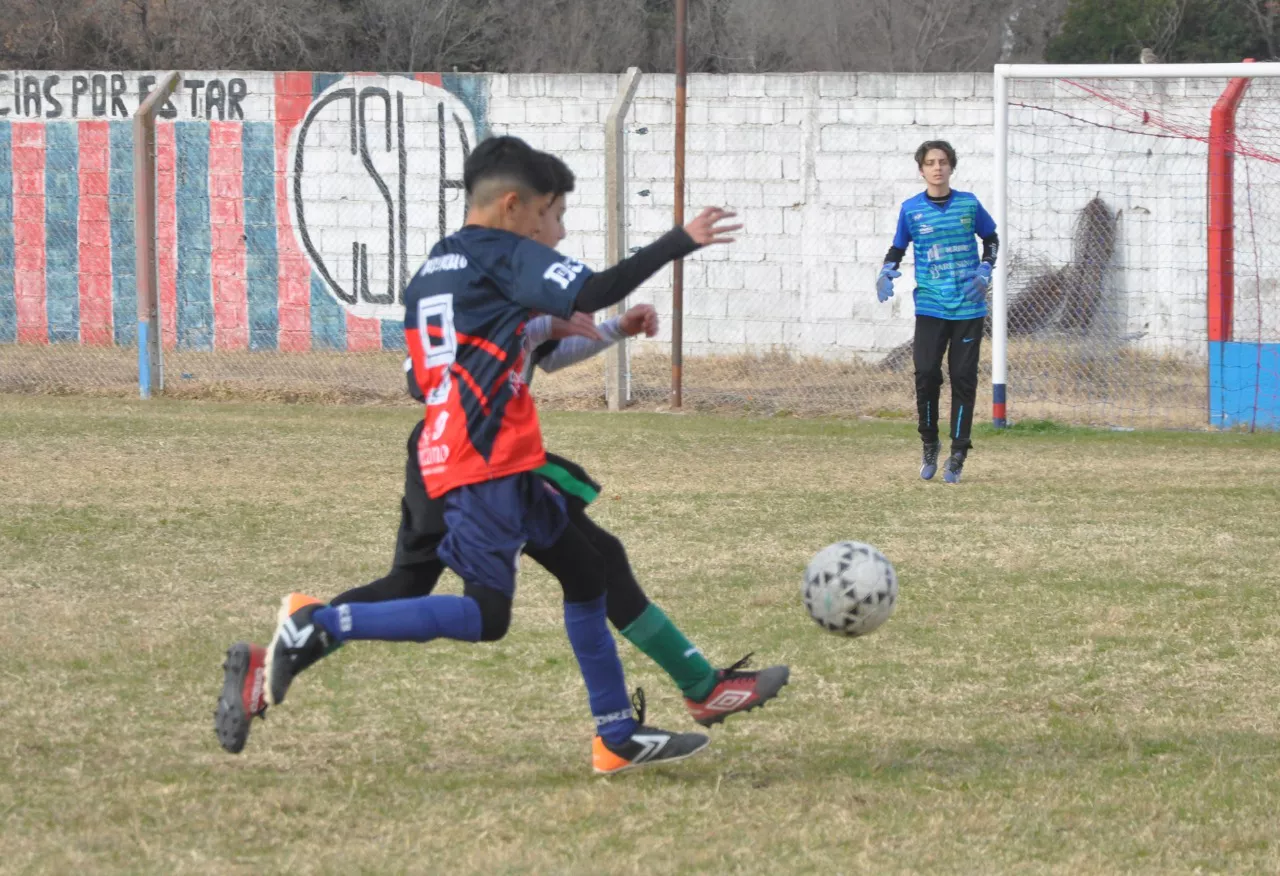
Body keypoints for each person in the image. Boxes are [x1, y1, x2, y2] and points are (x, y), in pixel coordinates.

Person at [215, 137, 750, 775]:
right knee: (488, 613)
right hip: (483, 452)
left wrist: (562, 330)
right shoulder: (502, 254)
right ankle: (321, 624)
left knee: (584, 567)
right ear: (514, 206)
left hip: (459, 444)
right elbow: (595, 289)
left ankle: (619, 733)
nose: (554, 231)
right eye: (549, 214)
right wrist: (681, 239)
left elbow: (434, 374)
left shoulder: (436, 270)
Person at [876, 140, 998, 484]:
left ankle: (958, 452)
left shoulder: (969, 204)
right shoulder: (911, 210)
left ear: (951, 166)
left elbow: (991, 238)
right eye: (930, 162)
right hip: (931, 305)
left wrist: (985, 270)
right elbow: (897, 247)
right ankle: (930, 442)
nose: (937, 168)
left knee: (963, 377)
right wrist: (885, 270)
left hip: (969, 306)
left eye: (943, 161)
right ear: (921, 170)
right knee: (927, 373)